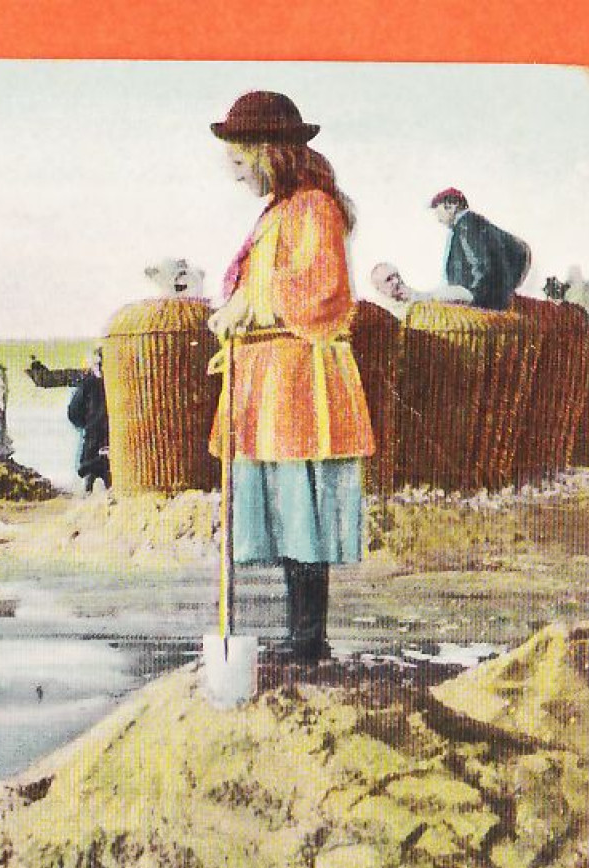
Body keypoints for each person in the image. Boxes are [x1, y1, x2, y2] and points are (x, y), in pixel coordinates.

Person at [207, 91, 376, 664]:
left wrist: (246, 305)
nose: (233, 176)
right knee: (284, 509)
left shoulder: (313, 209)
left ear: (266, 154)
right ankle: (298, 630)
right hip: (272, 383)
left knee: (303, 510)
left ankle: (308, 637)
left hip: (301, 385)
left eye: (236, 162)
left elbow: (324, 291)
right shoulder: (281, 212)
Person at [430, 188, 532, 311]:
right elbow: (521, 249)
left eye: (438, 211)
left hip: (481, 299)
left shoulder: (467, 225)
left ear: (451, 206)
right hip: (491, 297)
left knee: (430, 298)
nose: (438, 219)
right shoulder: (474, 224)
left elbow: (482, 266)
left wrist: (475, 296)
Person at [67, 346, 111, 492]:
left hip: (98, 432)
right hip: (98, 431)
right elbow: (74, 411)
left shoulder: (89, 383)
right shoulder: (92, 384)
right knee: (95, 469)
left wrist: (84, 424)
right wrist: (85, 424)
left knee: (94, 468)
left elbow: (74, 411)